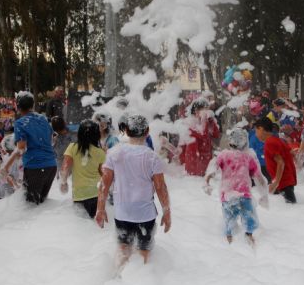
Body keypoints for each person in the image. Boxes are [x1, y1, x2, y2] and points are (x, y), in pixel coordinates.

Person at [95, 115, 171, 267]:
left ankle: (118, 281)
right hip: (145, 214)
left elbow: (104, 184)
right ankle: (140, 284)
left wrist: (100, 209)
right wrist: (166, 211)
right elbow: (160, 187)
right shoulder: (152, 157)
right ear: (147, 131)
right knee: (144, 253)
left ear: (127, 131)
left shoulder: (114, 153)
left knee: (123, 250)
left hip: (122, 212)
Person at [204, 128, 268, 245]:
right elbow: (259, 178)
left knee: (229, 223)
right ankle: (250, 240)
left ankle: (229, 242)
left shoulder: (224, 155)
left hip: (227, 196)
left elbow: (212, 170)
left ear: (230, 142)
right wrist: (264, 195)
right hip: (244, 196)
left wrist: (207, 183)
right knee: (250, 222)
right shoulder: (248, 157)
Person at [3, 92, 57, 205]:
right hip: (51, 165)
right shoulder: (43, 119)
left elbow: (21, 149)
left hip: (35, 167)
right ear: (32, 105)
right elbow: (52, 141)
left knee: (31, 207)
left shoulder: (20, 123)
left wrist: (7, 166)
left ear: (18, 107)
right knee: (42, 204)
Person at [59, 120, 106, 218]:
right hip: (96, 194)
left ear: (79, 134)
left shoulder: (72, 147)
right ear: (96, 135)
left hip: (79, 194)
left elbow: (65, 167)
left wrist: (63, 182)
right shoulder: (100, 152)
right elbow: (104, 175)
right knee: (95, 226)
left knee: (81, 225)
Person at [254, 117, 297, 203]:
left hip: (283, 182)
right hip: (287, 181)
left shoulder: (270, 142)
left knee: (291, 207)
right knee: (289, 207)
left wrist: (275, 183)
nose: (255, 134)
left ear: (261, 129)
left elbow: (281, 163)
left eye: (256, 131)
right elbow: (292, 153)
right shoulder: (279, 140)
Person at [180, 98, 220, 176]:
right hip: (194, 163)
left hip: (206, 159)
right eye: (204, 110)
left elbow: (216, 134)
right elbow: (203, 135)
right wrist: (204, 119)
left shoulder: (205, 121)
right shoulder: (189, 123)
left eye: (208, 110)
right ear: (196, 111)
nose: (206, 113)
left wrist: (211, 121)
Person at [0, 134, 22, 201]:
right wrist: (17, 188)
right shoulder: (11, 160)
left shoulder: (8, 157)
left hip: (1, 191)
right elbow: (9, 178)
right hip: (5, 194)